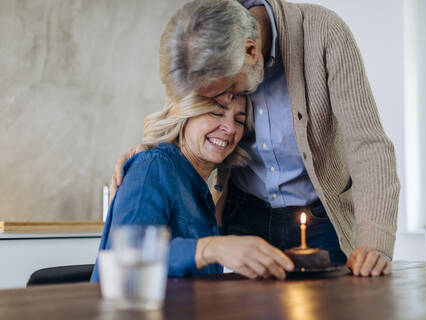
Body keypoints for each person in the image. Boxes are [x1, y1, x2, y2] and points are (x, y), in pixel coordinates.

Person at [111, 0, 400, 277]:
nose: (225, 103)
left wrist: (374, 243)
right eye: (212, 104)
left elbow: (368, 144)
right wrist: (149, 155)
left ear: (251, 51)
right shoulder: (202, 42)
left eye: (229, 97)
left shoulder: (324, 33)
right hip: (244, 217)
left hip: (318, 222)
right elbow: (185, 121)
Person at [91, 94, 294, 281]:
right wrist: (211, 248)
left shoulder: (203, 194)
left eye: (239, 121)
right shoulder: (153, 165)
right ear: (185, 113)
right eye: (216, 113)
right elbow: (127, 256)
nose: (230, 128)